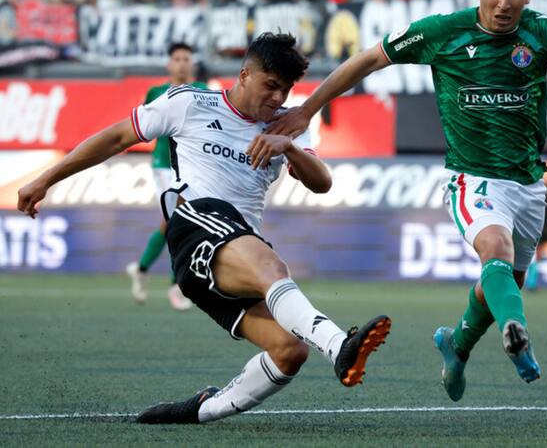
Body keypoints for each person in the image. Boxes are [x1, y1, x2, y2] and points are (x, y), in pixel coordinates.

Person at [258, 0, 547, 402]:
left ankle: (457, 345)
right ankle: (518, 330)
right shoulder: (441, 33)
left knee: (504, 282)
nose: (504, 3)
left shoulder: (545, 34)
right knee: (496, 251)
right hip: (473, 178)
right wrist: (309, 109)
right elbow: (368, 59)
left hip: (529, 184)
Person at [17, 32, 391, 424]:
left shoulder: (290, 123)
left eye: (286, 89)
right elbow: (116, 138)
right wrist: (47, 178)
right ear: (245, 75)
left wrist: (290, 147)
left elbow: (322, 183)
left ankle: (201, 409)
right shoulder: (190, 103)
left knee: (288, 352)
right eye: (271, 85)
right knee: (272, 268)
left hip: (233, 253)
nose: (279, 98)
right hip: (194, 226)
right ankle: (338, 346)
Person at [126, 42, 206, 310]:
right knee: (178, 221)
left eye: (186, 58)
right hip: (164, 164)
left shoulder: (205, 92)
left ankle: (142, 268)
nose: (182, 62)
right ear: (169, 64)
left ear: (192, 63)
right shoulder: (156, 92)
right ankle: (177, 286)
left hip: (193, 166)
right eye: (177, 58)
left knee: (174, 223)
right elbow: (144, 125)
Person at [524, 159, 547, 291]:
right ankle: (531, 282)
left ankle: (532, 273)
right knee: (535, 255)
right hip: (536, 226)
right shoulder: (536, 186)